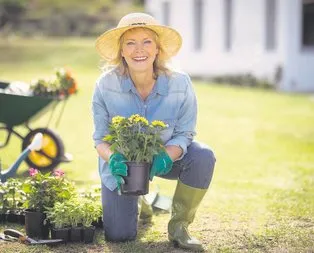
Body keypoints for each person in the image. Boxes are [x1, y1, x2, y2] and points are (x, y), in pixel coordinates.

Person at [92, 12, 216, 251]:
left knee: (203, 155)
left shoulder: (180, 83)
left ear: (157, 49)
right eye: (130, 43)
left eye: (147, 41)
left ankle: (179, 226)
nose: (140, 49)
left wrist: (165, 156)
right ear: (122, 51)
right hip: (123, 166)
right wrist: (113, 158)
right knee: (120, 235)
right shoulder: (105, 85)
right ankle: (143, 198)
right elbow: (100, 138)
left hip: (168, 157)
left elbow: (185, 133)